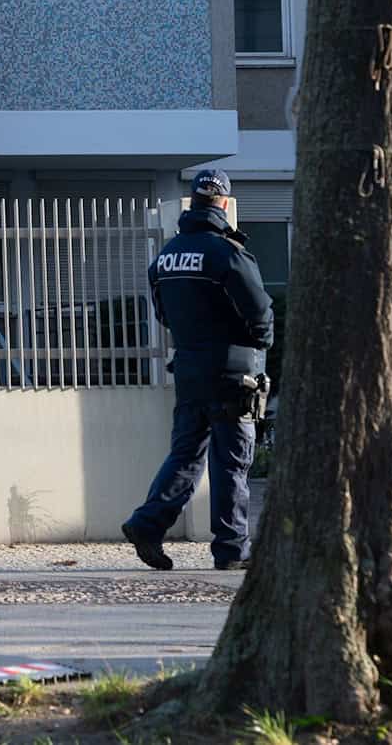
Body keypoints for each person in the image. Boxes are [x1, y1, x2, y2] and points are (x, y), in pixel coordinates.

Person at [122, 168, 273, 572]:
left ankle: (147, 524)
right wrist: (260, 345)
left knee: (186, 455)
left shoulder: (165, 257)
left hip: (189, 370)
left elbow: (164, 315)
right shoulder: (228, 252)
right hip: (232, 373)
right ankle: (231, 549)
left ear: (193, 201)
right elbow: (260, 312)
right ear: (223, 203)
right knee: (232, 461)